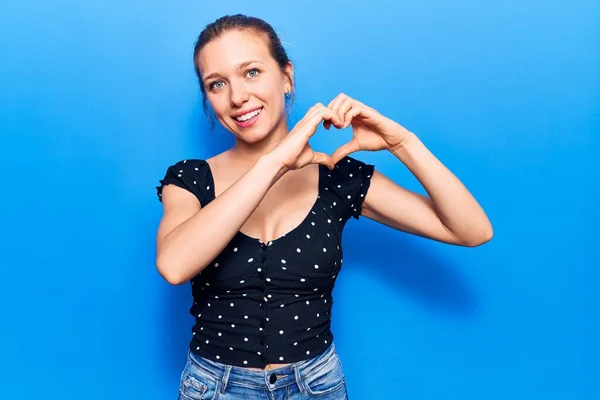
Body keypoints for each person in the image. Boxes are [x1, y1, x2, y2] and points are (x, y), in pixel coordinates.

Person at [155, 13, 493, 400]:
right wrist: (274, 162)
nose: (236, 97)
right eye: (217, 84)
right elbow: (174, 265)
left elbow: (471, 230)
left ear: (286, 76)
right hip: (214, 388)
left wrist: (403, 144)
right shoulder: (191, 179)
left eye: (251, 72)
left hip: (316, 387)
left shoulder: (338, 177)